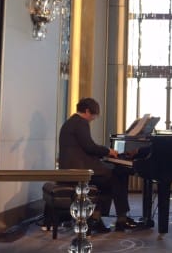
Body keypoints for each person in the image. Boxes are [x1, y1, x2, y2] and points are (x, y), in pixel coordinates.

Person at [58, 97, 138, 233]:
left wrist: (104, 154)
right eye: (93, 115)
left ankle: (97, 217)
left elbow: (85, 147)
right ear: (87, 111)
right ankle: (120, 219)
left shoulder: (71, 122)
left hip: (72, 167)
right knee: (118, 176)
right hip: (80, 170)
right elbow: (89, 147)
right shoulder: (81, 123)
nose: (93, 118)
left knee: (111, 177)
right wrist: (108, 151)